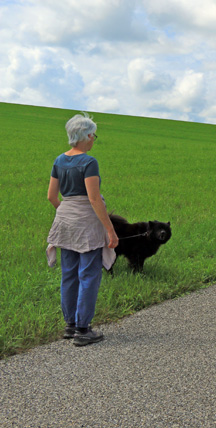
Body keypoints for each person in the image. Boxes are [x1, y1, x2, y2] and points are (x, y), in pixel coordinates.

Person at [46, 113, 118, 347]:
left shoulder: (59, 160)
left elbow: (51, 196)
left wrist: (67, 215)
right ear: (86, 135)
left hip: (65, 221)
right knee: (88, 274)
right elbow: (94, 199)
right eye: (93, 135)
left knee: (68, 274)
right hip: (87, 223)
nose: (94, 140)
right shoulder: (89, 162)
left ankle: (69, 326)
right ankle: (83, 329)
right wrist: (111, 230)